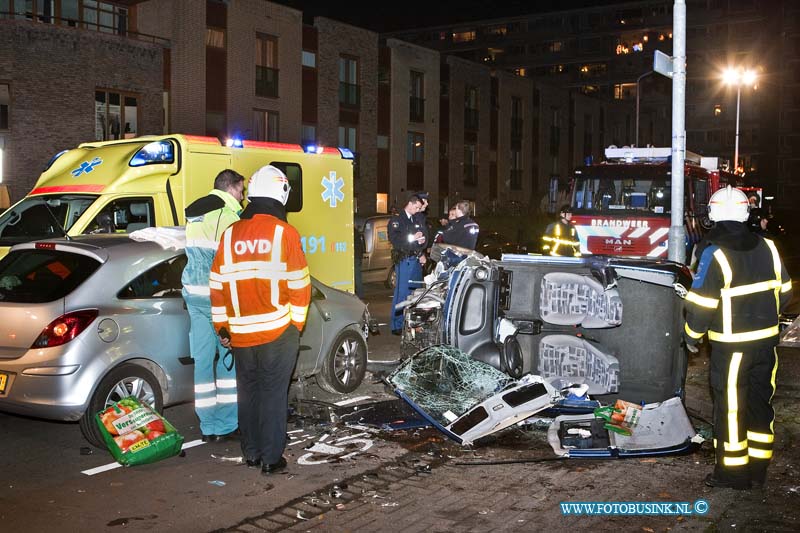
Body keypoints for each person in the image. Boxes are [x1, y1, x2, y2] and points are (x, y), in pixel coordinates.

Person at [683, 186, 792, 490]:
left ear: (713, 216)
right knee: (760, 403)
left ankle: (732, 474)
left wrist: (691, 337)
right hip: (767, 344)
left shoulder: (713, 252)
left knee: (731, 407)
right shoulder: (769, 247)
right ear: (746, 214)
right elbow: (785, 293)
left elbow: (702, 304)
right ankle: (758, 470)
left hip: (732, 347)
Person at [209, 165, 310, 475]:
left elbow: (217, 285)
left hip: (240, 334)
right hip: (277, 332)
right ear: (280, 194)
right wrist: (295, 325)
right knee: (273, 395)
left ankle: (251, 453)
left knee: (248, 394)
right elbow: (299, 286)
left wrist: (223, 327)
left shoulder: (230, 235)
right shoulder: (284, 233)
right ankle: (271, 458)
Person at [181, 169, 245, 442]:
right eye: (241, 191)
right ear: (231, 188)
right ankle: (226, 425)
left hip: (193, 296)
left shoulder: (195, 212)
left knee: (203, 363)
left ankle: (207, 426)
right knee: (228, 361)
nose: (243, 197)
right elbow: (228, 264)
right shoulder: (227, 216)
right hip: (216, 299)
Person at [388, 194, 427, 335]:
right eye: (417, 207)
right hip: (404, 259)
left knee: (414, 293)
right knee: (402, 293)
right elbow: (395, 239)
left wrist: (420, 243)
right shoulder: (397, 220)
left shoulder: (413, 219)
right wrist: (412, 238)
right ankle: (396, 325)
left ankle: (411, 323)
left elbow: (416, 238)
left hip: (414, 259)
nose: (418, 210)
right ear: (411, 204)